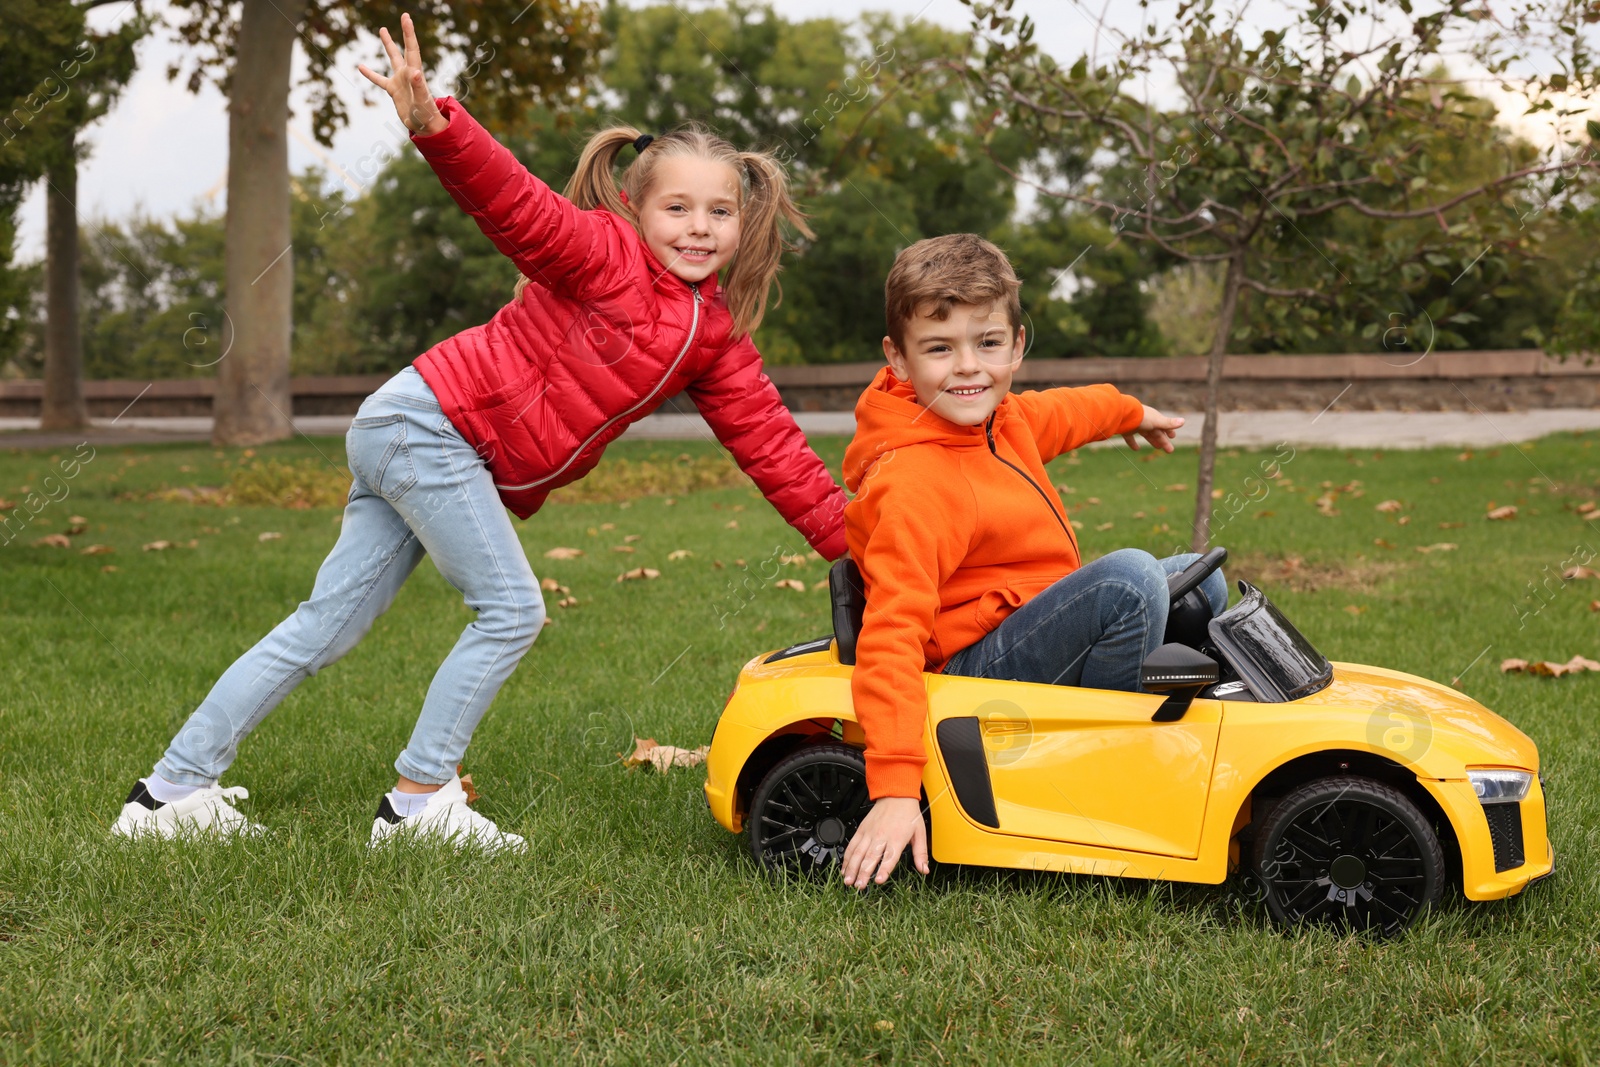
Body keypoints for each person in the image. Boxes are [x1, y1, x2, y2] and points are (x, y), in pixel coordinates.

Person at [111, 14, 847, 851]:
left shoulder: (714, 340)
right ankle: (419, 803)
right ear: (633, 207)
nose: (698, 226)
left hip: (413, 429)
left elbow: (779, 452)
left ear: (743, 224)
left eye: (719, 211)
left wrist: (860, 544)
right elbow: (519, 207)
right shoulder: (601, 252)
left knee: (326, 623)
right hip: (427, 427)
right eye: (676, 206)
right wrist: (436, 123)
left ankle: (167, 793)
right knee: (511, 610)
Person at [835, 234, 1227, 889]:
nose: (968, 367)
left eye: (986, 343)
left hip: (1014, 623)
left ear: (1016, 345)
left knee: (1199, 575)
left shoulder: (996, 419)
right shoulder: (914, 483)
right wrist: (897, 787)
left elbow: (1066, 412)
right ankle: (1104, 770)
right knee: (1129, 582)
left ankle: (1179, 709)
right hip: (968, 670)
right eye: (939, 347)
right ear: (898, 360)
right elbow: (891, 635)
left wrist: (1131, 412)